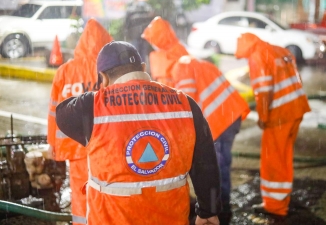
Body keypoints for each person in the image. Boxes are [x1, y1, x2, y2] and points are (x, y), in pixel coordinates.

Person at [55, 41, 221, 225]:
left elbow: (62, 112)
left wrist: (102, 89)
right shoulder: (186, 104)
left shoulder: (91, 107)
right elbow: (206, 163)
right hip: (169, 218)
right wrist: (208, 210)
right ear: (143, 67)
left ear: (102, 77)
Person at [142, 17, 250, 225]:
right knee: (219, 165)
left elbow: (185, 107)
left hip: (221, 120)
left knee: (217, 167)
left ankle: (220, 211)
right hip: (228, 115)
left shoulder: (181, 66)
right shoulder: (186, 59)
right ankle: (218, 207)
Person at [235, 33, 311, 219]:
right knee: (284, 156)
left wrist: (263, 117)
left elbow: (263, 90)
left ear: (246, 48)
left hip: (280, 115)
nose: (246, 59)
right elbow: (295, 77)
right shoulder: (279, 50)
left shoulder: (257, 56)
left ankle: (275, 206)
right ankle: (282, 199)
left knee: (273, 160)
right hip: (297, 108)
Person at [47, 19, 113, 225]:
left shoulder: (65, 71)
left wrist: (52, 143)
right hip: (105, 146)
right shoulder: (109, 71)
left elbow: (53, 111)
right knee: (107, 191)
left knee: (80, 192)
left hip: (75, 146)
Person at [123, 0, 155, 65]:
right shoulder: (131, 10)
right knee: (135, 53)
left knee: (143, 54)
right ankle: (136, 70)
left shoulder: (148, 9)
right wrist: (127, 34)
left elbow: (152, 22)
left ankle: (141, 71)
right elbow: (126, 24)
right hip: (135, 36)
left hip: (145, 36)